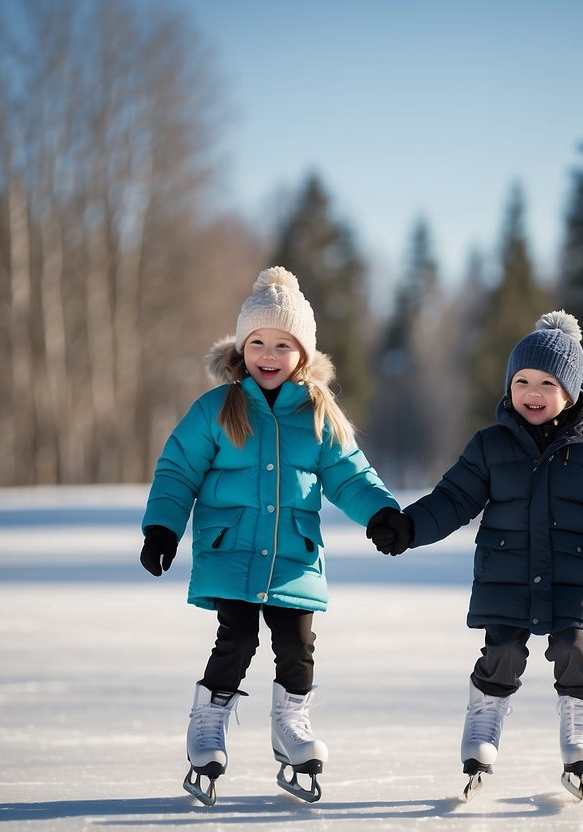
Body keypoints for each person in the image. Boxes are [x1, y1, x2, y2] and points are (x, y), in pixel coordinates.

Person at [367, 310, 583, 801]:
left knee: (574, 650)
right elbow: (452, 499)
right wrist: (409, 527)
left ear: (572, 392)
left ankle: (580, 717)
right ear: (509, 385)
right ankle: (485, 714)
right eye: (522, 380)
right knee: (503, 651)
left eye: (547, 382)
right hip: (506, 575)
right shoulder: (490, 446)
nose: (532, 391)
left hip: (573, 579)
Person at [139, 266, 400, 805]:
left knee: (297, 645)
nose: (268, 354)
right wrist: (163, 527)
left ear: (301, 354)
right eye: (257, 342)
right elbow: (177, 470)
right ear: (241, 348)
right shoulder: (218, 408)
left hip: (294, 556)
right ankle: (208, 724)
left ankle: (291, 725)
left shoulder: (319, 413)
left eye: (283, 344)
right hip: (230, 549)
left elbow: (350, 474)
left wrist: (380, 513)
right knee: (236, 639)